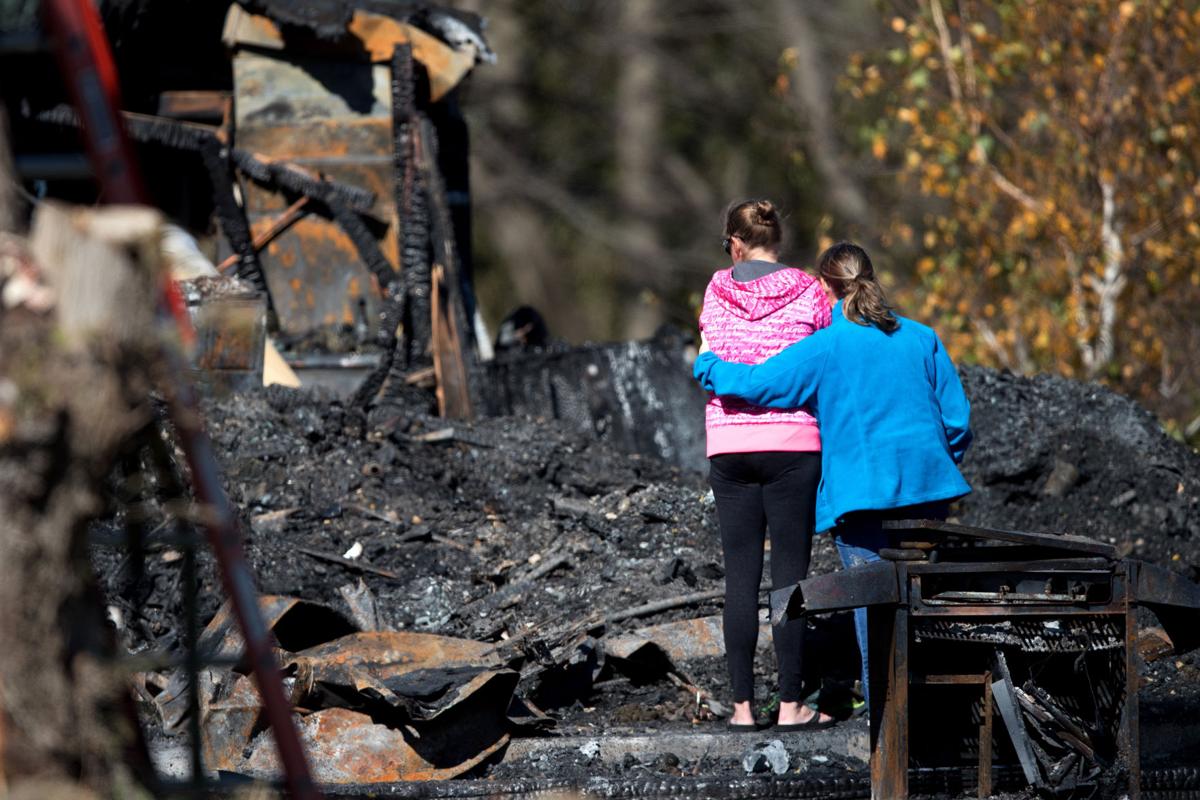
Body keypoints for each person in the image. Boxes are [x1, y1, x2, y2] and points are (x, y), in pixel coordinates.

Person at [693, 240, 973, 710]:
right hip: (930, 492)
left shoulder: (825, 346)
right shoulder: (922, 337)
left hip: (862, 497)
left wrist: (709, 365)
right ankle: (937, 705)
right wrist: (932, 467)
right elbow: (958, 423)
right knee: (922, 599)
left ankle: (885, 718)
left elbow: (760, 384)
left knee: (872, 605)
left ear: (825, 287)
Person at [699, 199, 834, 731]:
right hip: (793, 444)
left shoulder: (715, 289)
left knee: (740, 578)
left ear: (736, 244)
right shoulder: (808, 290)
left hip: (729, 444)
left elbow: (708, 355)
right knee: (790, 578)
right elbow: (820, 359)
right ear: (777, 240)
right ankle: (791, 705)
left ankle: (740, 708)